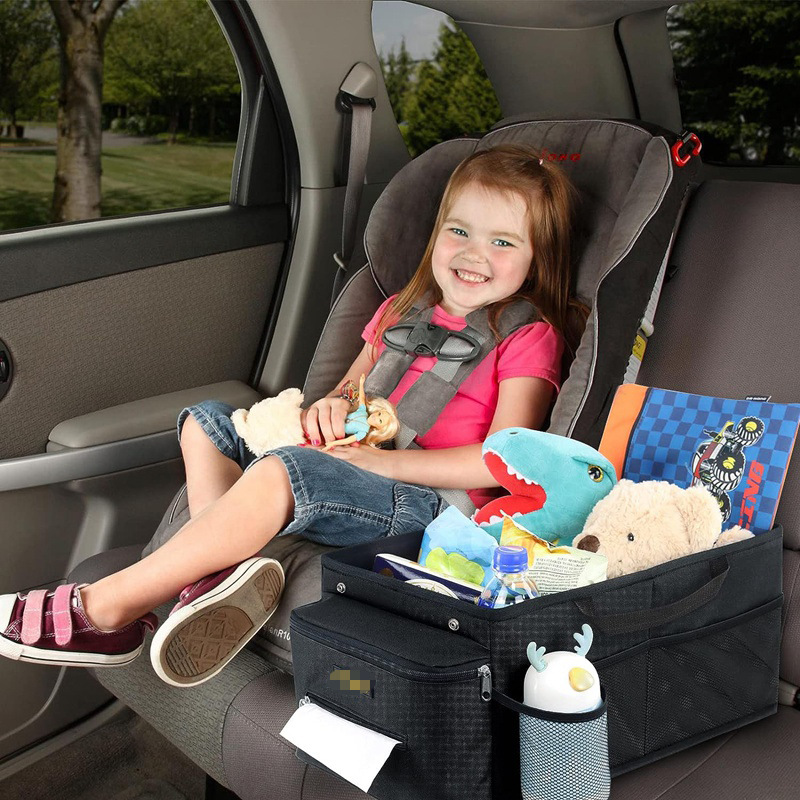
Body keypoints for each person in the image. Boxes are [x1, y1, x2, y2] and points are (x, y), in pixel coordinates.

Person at [0, 144, 587, 687]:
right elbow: (348, 395)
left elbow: (501, 462)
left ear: (537, 260)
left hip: (429, 506)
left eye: (503, 242)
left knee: (285, 471)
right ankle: (218, 576)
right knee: (205, 421)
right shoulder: (398, 312)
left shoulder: (526, 335)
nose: (474, 253)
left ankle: (104, 611)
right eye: (458, 231)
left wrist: (378, 464)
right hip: (350, 468)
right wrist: (330, 409)